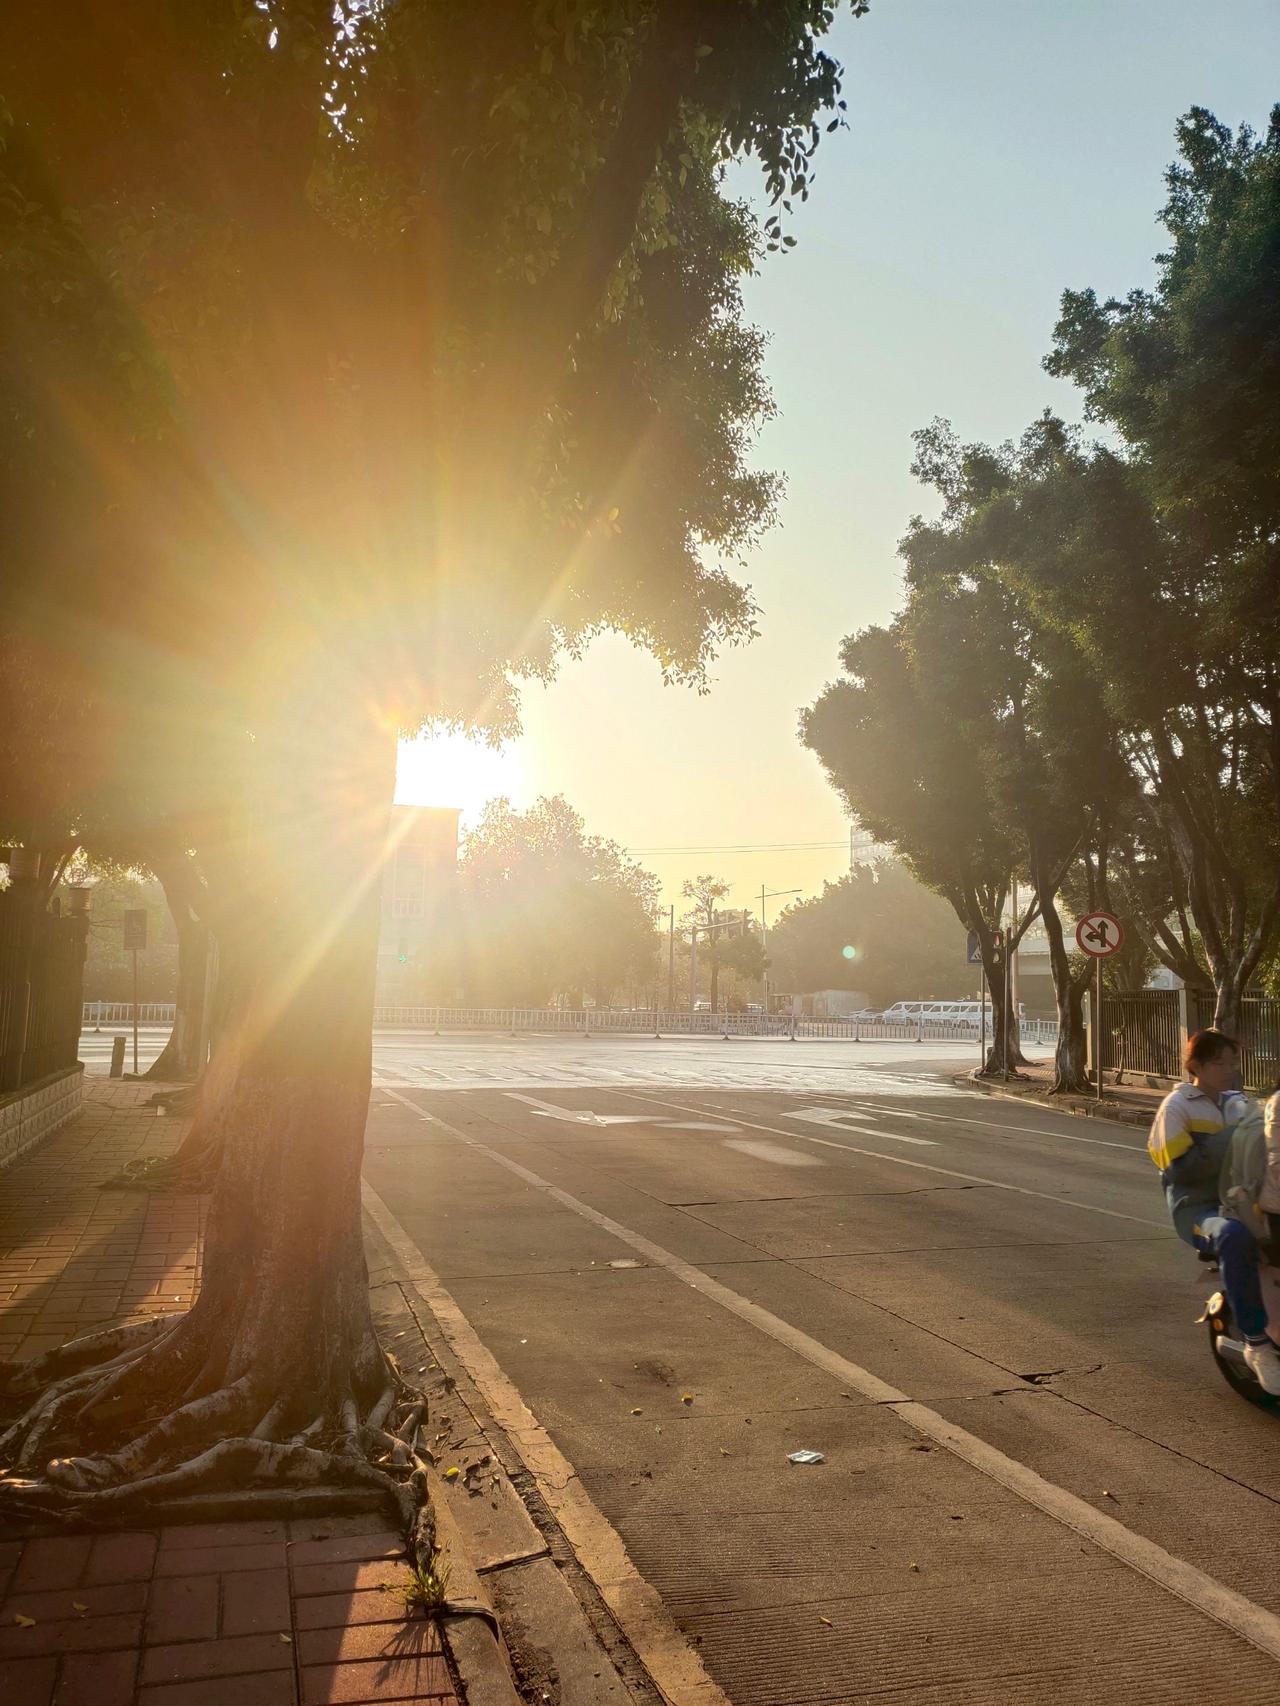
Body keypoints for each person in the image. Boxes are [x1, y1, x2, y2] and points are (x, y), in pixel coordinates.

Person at [1147, 1029, 1280, 1394]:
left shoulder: (1241, 1102)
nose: (1229, 1068)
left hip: (1247, 1202)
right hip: (1200, 1211)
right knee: (1233, 1237)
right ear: (1195, 1066)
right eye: (1219, 1062)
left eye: (1233, 1061)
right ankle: (1256, 1343)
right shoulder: (1176, 1108)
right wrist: (1234, 1136)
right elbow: (1181, 1170)